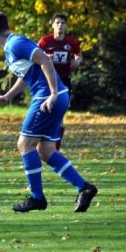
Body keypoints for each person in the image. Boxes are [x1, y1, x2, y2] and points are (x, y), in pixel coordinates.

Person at [0, 11, 97, 212]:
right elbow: (26, 74)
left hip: (48, 97)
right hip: (56, 96)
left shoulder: (16, 43)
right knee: (45, 151)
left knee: (24, 144)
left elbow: (45, 60)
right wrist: (7, 96)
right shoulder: (11, 47)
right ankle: (84, 188)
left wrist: (52, 93)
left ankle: (37, 198)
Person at [38, 13, 83, 150]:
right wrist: (46, 58)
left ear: (66, 26)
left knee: (59, 114)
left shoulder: (72, 42)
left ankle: (55, 145)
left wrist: (77, 61)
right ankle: (43, 142)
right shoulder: (45, 42)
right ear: (52, 25)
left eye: (63, 23)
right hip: (47, 81)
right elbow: (36, 56)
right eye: (57, 23)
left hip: (64, 81)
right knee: (44, 112)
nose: (60, 26)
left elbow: (79, 55)